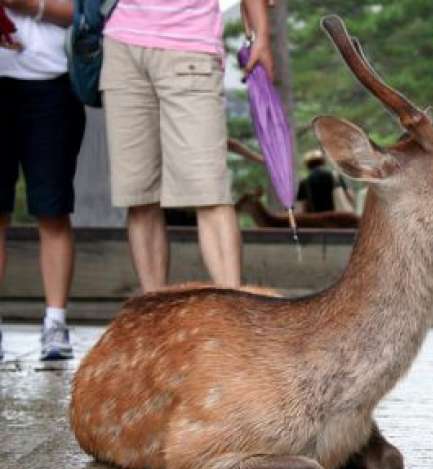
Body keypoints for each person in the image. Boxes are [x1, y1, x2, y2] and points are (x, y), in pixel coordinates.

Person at [100, 0, 274, 293]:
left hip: (189, 43)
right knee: (140, 195)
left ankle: (233, 319)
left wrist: (262, 36)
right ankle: (154, 317)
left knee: (210, 193)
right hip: (122, 43)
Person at [0, 0, 85, 361]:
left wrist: (25, 4)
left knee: (52, 209)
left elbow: (81, 13)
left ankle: (55, 320)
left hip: (52, 82)